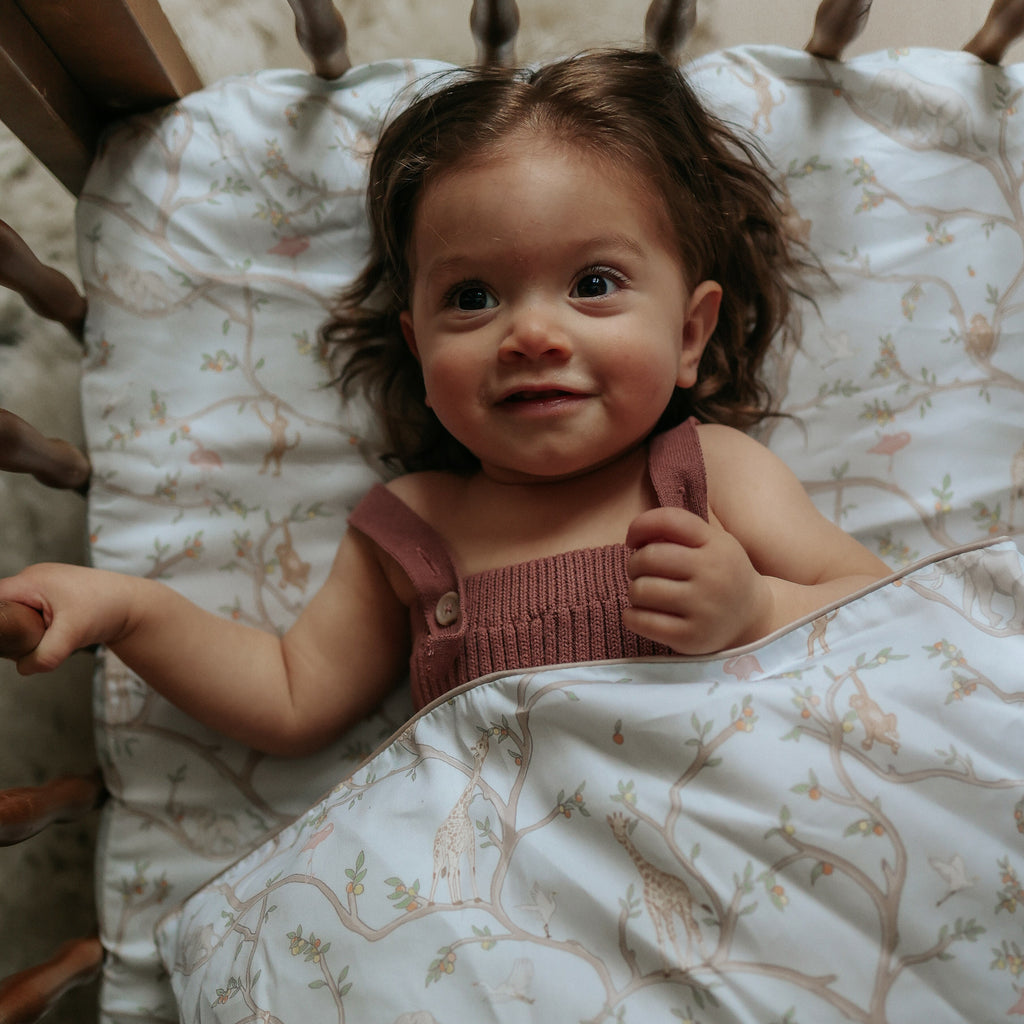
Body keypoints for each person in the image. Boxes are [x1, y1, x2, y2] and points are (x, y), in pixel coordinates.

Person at [0, 49, 889, 756]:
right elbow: (290, 696)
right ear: (419, 344)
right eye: (472, 297)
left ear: (690, 334)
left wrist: (761, 612)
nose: (532, 333)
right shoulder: (415, 526)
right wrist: (130, 610)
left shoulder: (706, 475)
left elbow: (893, 612)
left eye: (593, 282)